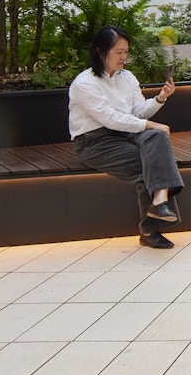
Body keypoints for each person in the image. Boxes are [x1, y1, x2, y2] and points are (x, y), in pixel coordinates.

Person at [69, 26, 182, 249]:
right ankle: (151, 229)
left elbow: (138, 111)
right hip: (94, 141)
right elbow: (110, 118)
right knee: (149, 164)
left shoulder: (127, 77)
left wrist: (161, 98)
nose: (124, 57)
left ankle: (160, 202)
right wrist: (150, 124)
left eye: (126, 52)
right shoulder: (84, 83)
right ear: (102, 51)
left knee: (157, 139)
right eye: (118, 52)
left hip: (124, 133)